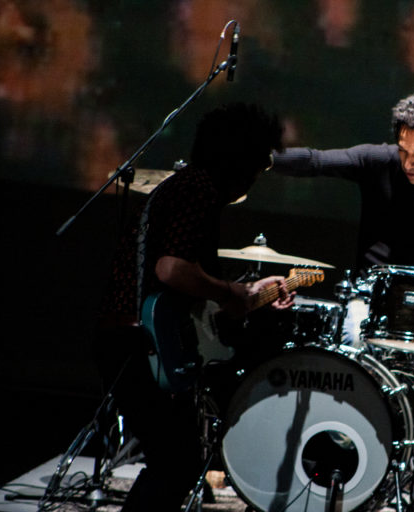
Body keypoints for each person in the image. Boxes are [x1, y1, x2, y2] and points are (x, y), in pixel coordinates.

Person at [96, 103, 294, 512]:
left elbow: (184, 285)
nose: (258, 176)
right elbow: (171, 269)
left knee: (175, 462)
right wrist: (228, 292)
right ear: (241, 160)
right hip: (138, 343)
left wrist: (248, 292)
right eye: (260, 164)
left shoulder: (186, 187)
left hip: (134, 338)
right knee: (176, 463)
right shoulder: (199, 190)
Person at [271, 89, 414, 345]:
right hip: (369, 302)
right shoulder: (380, 162)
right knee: (356, 340)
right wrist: (263, 158)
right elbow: (315, 161)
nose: (408, 163)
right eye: (403, 150)